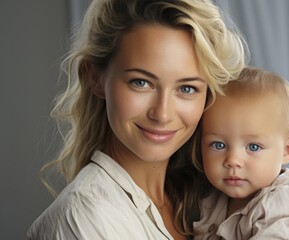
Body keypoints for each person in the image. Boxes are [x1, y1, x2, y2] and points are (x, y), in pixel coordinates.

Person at [26, 0, 247, 239]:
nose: (162, 114)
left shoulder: (212, 200)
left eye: (186, 88)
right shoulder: (84, 217)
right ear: (96, 78)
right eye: (141, 83)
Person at [192, 67, 289, 239]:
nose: (233, 160)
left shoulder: (288, 202)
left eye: (253, 147)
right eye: (218, 145)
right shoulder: (210, 199)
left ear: (287, 151)